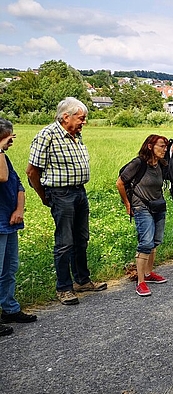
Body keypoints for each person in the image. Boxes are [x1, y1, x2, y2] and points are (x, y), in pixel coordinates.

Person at [26, 97, 107, 306]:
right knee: (65, 242)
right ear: (66, 117)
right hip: (60, 193)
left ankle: (82, 280)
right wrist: (45, 196)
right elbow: (32, 171)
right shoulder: (47, 135)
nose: (84, 122)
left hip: (79, 191)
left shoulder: (76, 135)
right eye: (81, 118)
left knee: (81, 238)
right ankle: (64, 288)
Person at [116, 135, 169, 296]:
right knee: (145, 243)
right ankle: (140, 282)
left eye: (166, 147)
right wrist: (127, 203)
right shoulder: (138, 163)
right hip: (141, 207)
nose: (164, 149)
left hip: (158, 206)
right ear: (150, 146)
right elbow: (120, 182)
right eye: (161, 146)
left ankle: (148, 273)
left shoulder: (160, 164)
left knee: (155, 241)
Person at [0, 119, 37, 336]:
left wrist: (19, 209)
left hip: (9, 220)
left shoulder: (6, 158)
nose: (12, 141)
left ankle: (9, 308)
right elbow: (2, 177)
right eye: (9, 136)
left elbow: (18, 184)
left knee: (10, 268)